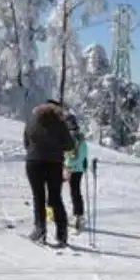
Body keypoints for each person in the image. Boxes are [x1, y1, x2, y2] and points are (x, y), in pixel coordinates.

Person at [22, 100, 77, 247]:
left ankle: (40, 230)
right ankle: (62, 233)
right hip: (54, 164)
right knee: (55, 198)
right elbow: (70, 145)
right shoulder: (60, 123)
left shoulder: (32, 120)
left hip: (34, 162)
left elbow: (26, 142)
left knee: (38, 197)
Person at [62, 111, 89, 231]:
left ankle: (78, 215)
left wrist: (68, 164)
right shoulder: (69, 136)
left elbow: (80, 156)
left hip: (75, 170)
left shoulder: (78, 138)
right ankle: (75, 214)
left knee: (75, 191)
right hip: (69, 168)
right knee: (58, 187)